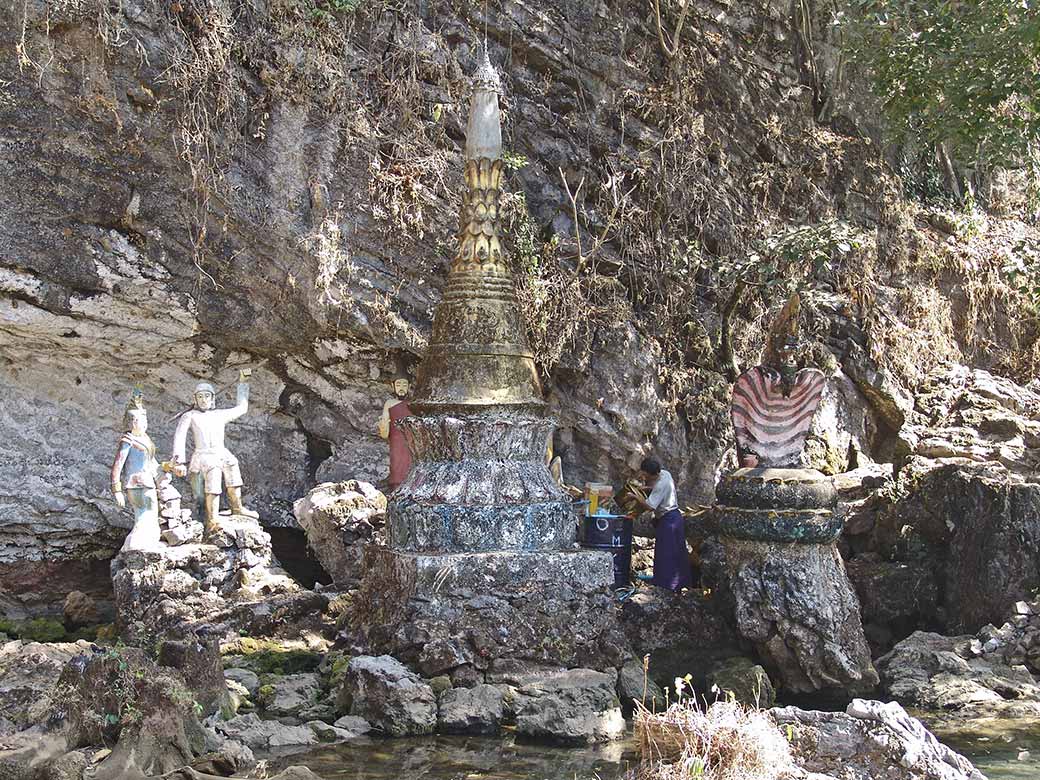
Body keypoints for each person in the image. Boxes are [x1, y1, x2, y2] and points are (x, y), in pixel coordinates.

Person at [172, 370, 258, 538]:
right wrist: (179, 461)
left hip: (221, 452)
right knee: (214, 475)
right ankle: (212, 518)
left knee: (232, 466)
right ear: (195, 399)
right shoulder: (190, 416)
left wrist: (243, 382)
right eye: (200, 397)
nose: (204, 399)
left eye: (207, 396)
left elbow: (242, 408)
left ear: (212, 398)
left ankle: (237, 507)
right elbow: (179, 437)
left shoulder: (219, 414)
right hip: (203, 455)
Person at [110, 391, 162, 551]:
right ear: (131, 422)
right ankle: (135, 543)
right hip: (135, 483)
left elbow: (152, 462)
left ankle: (149, 540)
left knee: (152, 513)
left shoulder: (146, 439)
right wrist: (117, 490)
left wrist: (166, 468)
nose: (143, 424)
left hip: (148, 481)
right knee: (142, 514)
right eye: (139, 420)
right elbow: (117, 466)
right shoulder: (128, 441)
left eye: (145, 420)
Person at [632, 457, 692, 591]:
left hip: (668, 520)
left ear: (650, 474)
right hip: (674, 517)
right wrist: (645, 488)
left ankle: (667, 585)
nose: (644, 477)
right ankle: (680, 583)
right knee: (675, 552)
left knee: (667, 554)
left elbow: (650, 506)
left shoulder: (660, 485)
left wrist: (635, 496)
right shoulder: (665, 474)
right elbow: (657, 488)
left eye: (646, 475)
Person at [377, 373, 413, 491]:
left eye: (404, 385)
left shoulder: (413, 404)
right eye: (398, 385)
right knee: (397, 464)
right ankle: (396, 488)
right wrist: (383, 425)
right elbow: (384, 430)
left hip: (411, 440)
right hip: (396, 440)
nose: (401, 388)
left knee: (411, 464)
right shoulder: (389, 403)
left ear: (409, 386)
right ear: (393, 386)